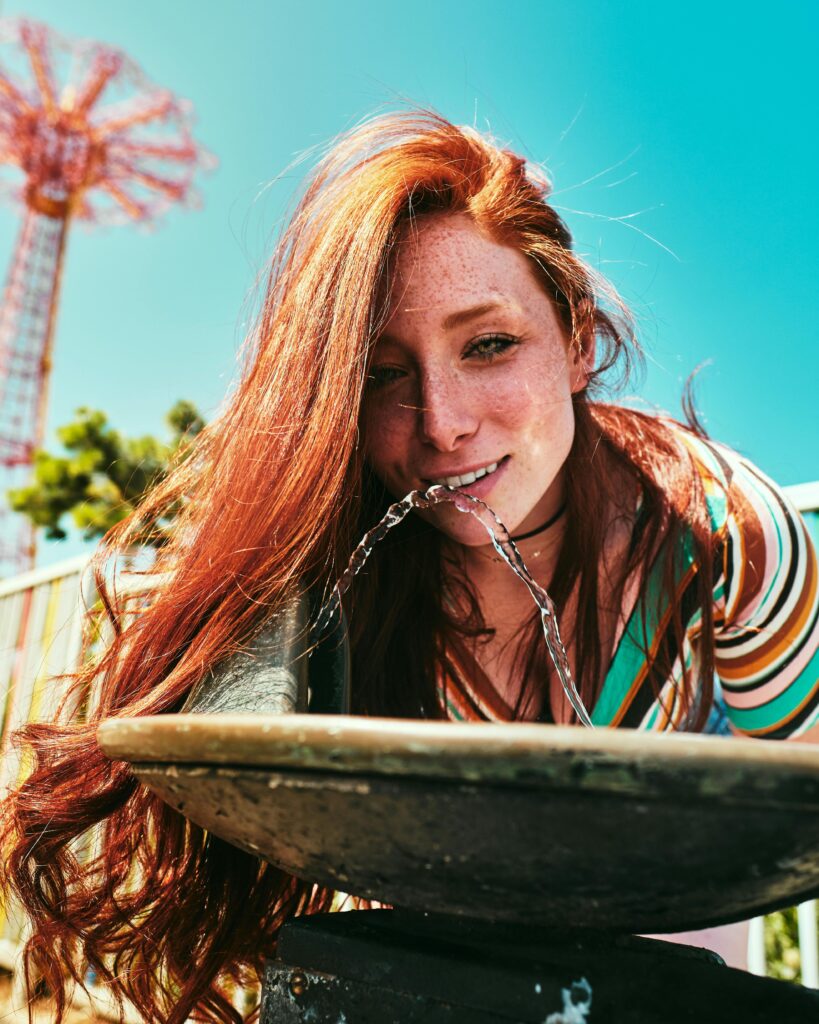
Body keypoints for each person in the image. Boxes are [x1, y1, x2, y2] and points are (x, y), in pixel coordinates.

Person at [2, 109, 817, 1024]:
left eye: (489, 345)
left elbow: (800, 807)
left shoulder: (725, 534)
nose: (441, 424)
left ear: (577, 341)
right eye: (383, 374)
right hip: (452, 891)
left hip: (675, 898)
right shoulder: (342, 557)